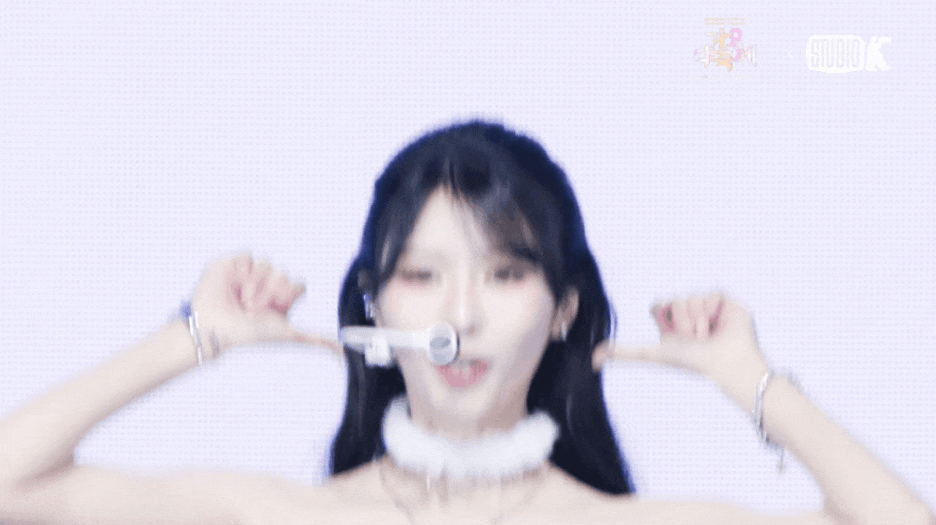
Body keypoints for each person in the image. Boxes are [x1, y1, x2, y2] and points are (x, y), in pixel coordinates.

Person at [0, 122, 931, 525]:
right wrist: (192, 335)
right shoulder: (287, 514)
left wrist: (748, 379)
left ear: (564, 309)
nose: (460, 314)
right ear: (374, 303)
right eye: (421, 274)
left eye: (506, 273)